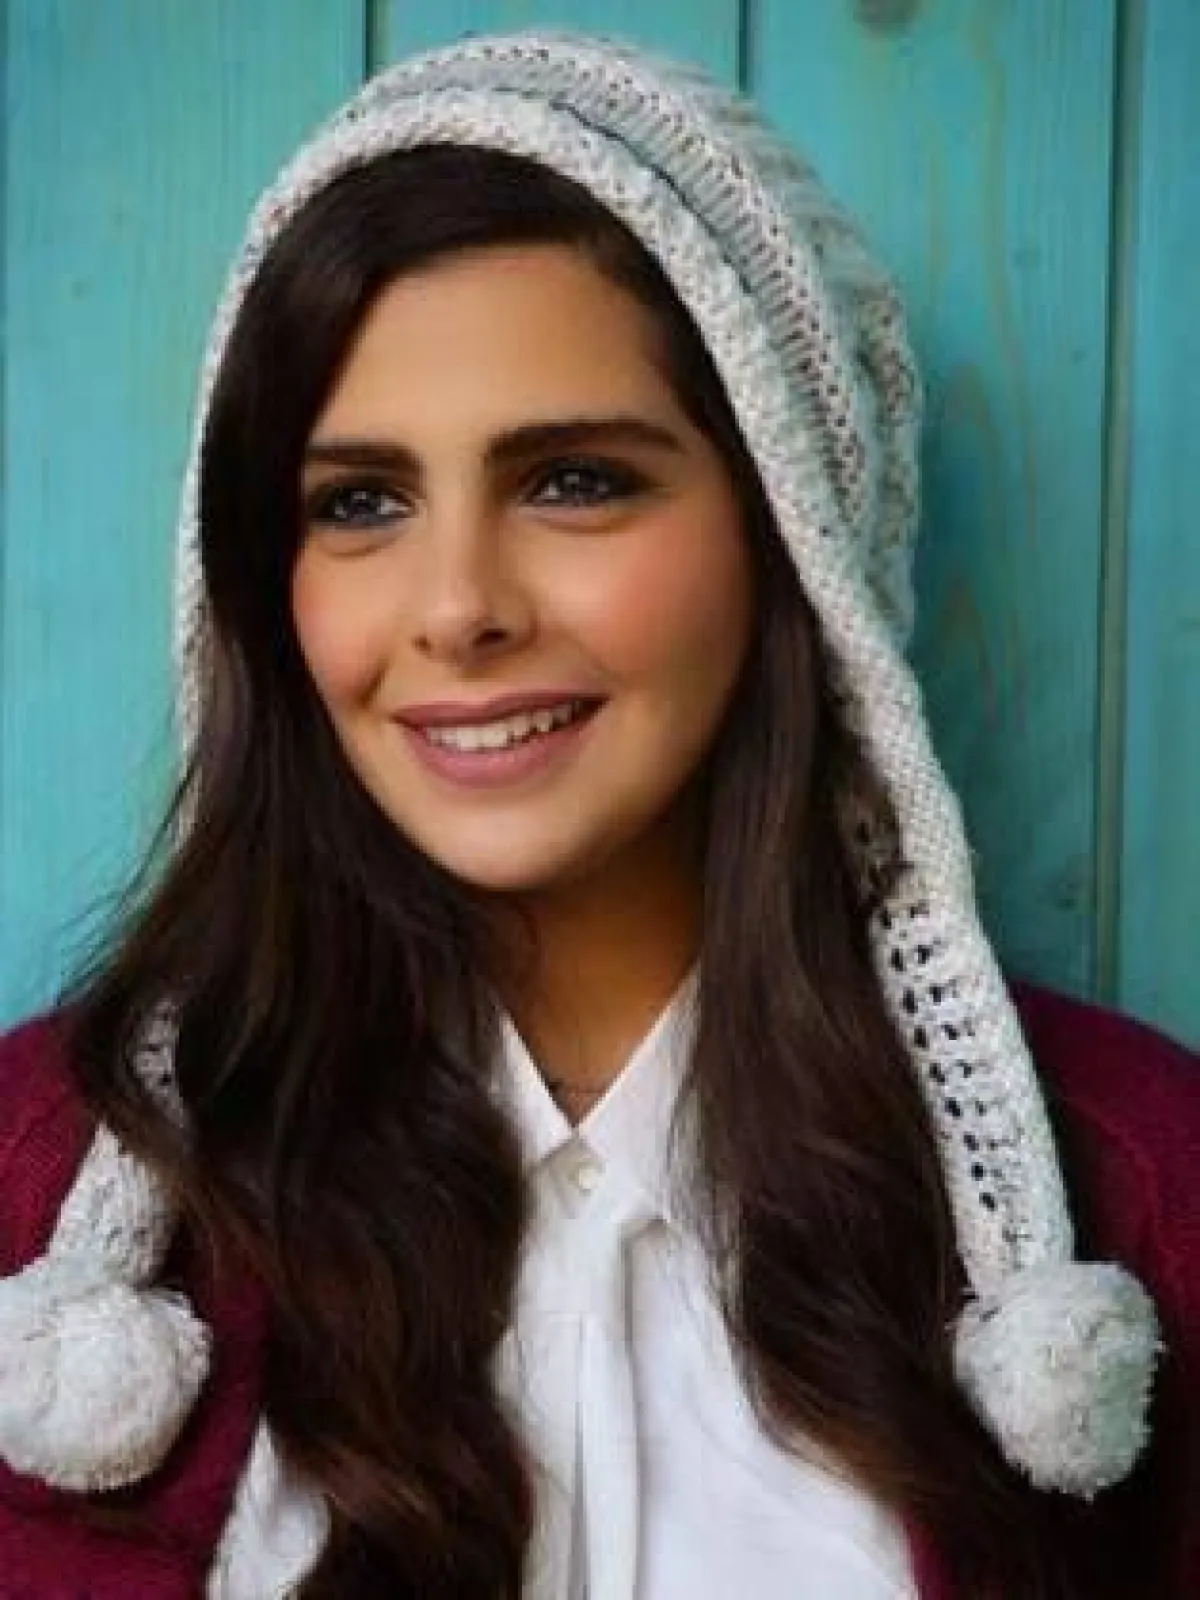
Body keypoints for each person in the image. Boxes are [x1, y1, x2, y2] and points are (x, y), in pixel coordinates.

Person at [0, 28, 1196, 1600]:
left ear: (791, 535)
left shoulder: (1139, 1195)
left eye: (573, 480)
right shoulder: (38, 1195)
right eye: (359, 503)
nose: (457, 608)